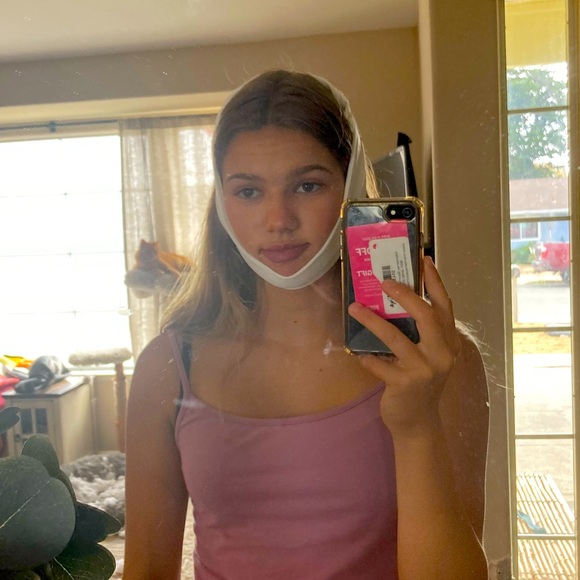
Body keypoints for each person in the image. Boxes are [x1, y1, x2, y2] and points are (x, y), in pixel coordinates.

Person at [123, 69, 489, 580]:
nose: (278, 219)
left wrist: (416, 427)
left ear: (350, 189)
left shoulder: (436, 359)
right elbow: (145, 568)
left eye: (308, 185)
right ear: (222, 202)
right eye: (248, 191)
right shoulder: (167, 367)